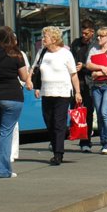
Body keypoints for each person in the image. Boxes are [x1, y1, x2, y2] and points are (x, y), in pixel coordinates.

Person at [0, 26, 31, 178]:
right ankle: (2, 170)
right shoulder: (17, 54)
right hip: (12, 96)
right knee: (5, 133)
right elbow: (23, 77)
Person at [32, 26, 81, 165]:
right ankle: (56, 147)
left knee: (58, 122)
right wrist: (36, 86)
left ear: (54, 39)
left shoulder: (66, 54)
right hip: (46, 93)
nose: (42, 39)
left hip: (63, 93)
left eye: (45, 37)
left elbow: (73, 74)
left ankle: (58, 153)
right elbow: (35, 69)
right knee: (49, 122)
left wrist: (77, 92)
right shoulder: (41, 53)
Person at [85, 26, 107, 155]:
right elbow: (88, 64)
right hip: (96, 86)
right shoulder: (94, 49)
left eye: (101, 36)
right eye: (98, 36)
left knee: (105, 112)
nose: (98, 38)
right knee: (99, 114)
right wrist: (102, 68)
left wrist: (96, 73)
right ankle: (102, 141)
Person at [70, 19, 97, 153]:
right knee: (74, 110)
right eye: (83, 33)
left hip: (89, 82)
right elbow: (71, 58)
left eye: (86, 33)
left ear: (92, 32)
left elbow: (97, 64)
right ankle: (75, 134)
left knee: (88, 112)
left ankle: (86, 141)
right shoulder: (76, 43)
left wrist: (84, 67)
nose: (84, 36)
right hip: (75, 81)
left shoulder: (96, 45)